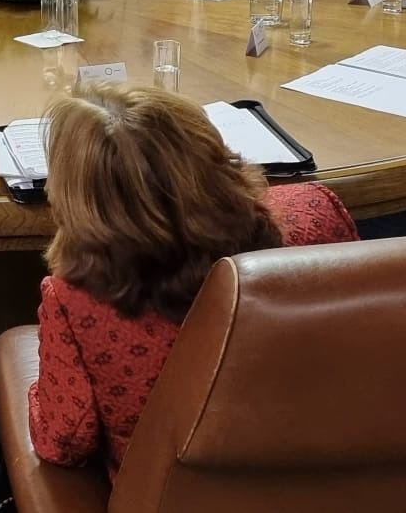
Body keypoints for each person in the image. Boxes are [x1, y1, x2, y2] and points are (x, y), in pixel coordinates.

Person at [26, 86, 358, 477]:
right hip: (338, 477)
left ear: (78, 200)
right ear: (214, 155)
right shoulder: (316, 213)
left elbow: (63, 441)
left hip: (182, 494)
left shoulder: (76, 302)